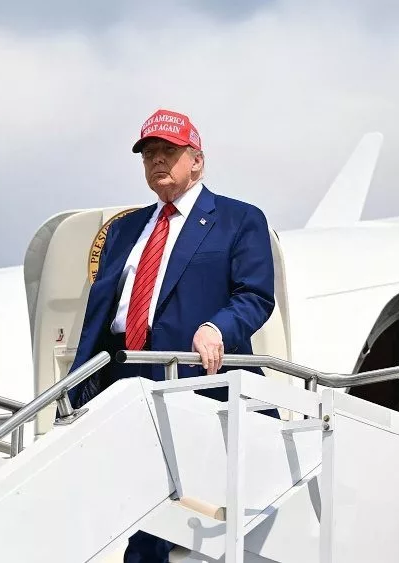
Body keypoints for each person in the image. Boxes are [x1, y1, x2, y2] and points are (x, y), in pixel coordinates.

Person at [64, 108, 277, 562]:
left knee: (174, 508)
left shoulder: (239, 220)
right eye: (148, 154)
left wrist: (216, 326)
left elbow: (255, 295)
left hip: (194, 379)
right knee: (141, 504)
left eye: (168, 151)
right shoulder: (124, 230)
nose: (157, 161)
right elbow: (102, 316)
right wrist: (75, 387)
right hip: (124, 379)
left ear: (196, 160)